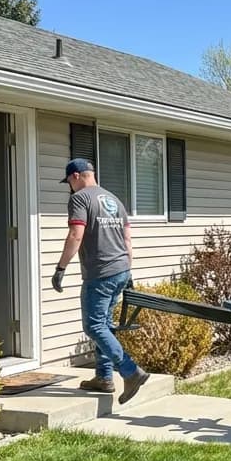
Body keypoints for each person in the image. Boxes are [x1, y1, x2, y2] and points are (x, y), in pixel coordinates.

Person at [51, 158, 150, 405]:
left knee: (94, 326)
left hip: (101, 273)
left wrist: (60, 268)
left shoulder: (80, 198)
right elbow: (127, 240)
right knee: (105, 323)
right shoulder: (114, 199)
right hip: (120, 270)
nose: (69, 188)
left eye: (69, 183)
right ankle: (104, 378)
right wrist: (126, 270)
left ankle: (130, 371)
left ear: (75, 176)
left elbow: (76, 234)